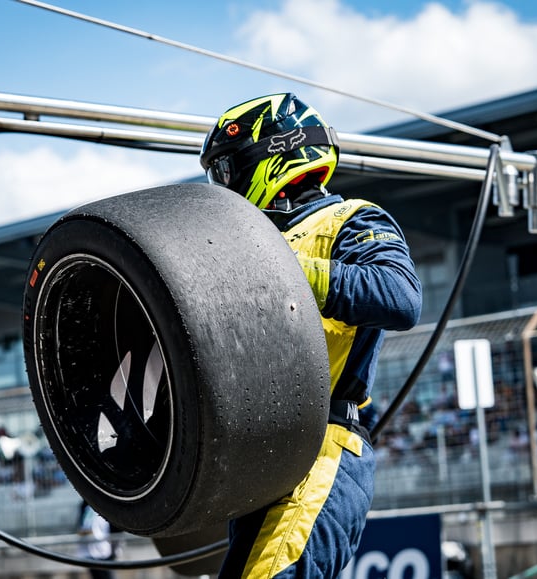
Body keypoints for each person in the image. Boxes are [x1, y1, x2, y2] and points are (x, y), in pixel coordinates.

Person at [200, 93, 422, 578]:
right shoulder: (251, 247)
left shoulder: (352, 217)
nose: (223, 187)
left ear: (274, 156)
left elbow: (401, 296)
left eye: (225, 170)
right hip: (264, 457)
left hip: (323, 448)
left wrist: (286, 273)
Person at [77, 500, 118, 579]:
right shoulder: (86, 506)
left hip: (104, 549)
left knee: (106, 574)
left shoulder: (105, 506)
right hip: (90, 550)